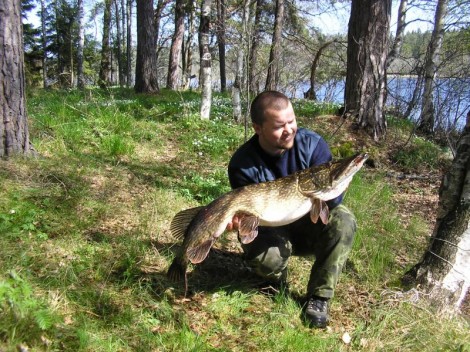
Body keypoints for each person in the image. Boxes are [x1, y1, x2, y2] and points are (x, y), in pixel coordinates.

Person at [226, 91, 357, 328]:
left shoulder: (313, 145)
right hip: (270, 227)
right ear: (258, 128)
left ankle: (319, 297)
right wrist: (236, 222)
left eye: (292, 121)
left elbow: (330, 203)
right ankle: (274, 276)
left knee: (344, 221)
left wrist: (334, 191)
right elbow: (247, 218)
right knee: (269, 261)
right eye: (279, 126)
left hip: (307, 223)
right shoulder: (242, 164)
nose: (289, 130)